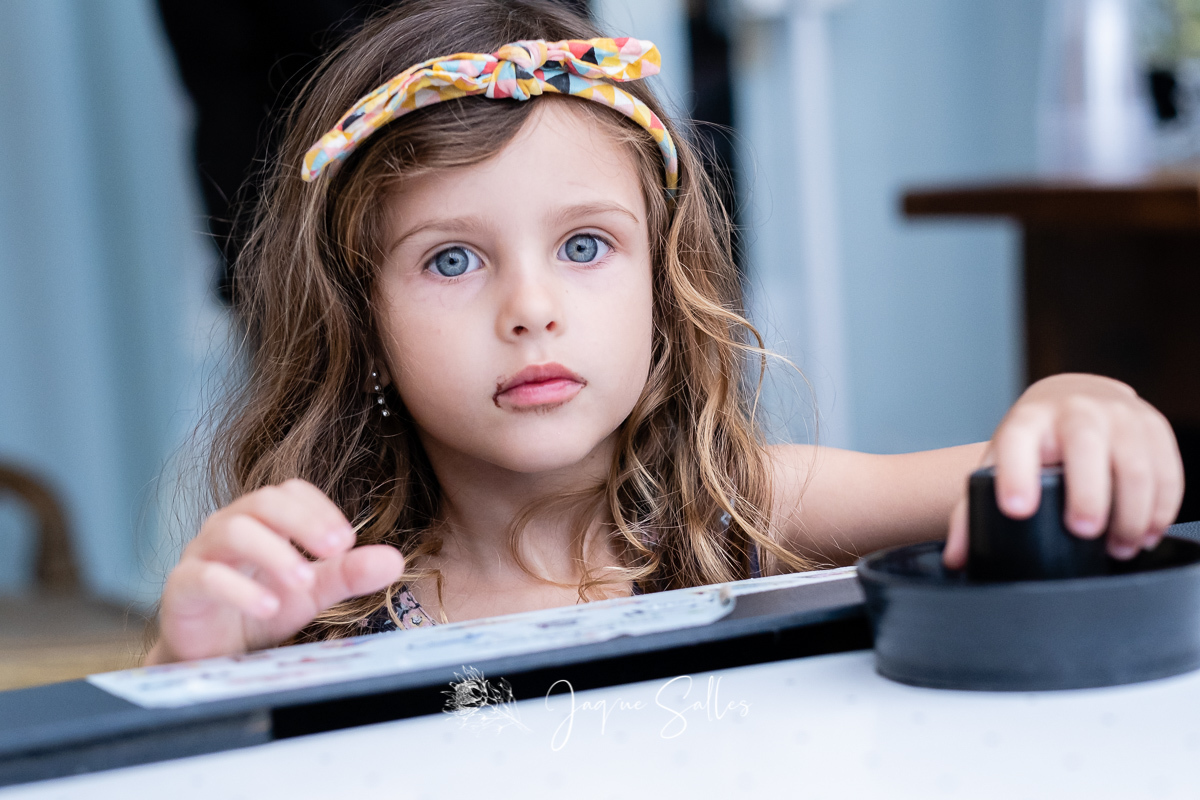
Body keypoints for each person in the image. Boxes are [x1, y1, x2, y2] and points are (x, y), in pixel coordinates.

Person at [143, 0, 1184, 665]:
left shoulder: (737, 503)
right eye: (451, 259)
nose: (531, 307)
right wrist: (189, 673)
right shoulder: (325, 604)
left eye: (586, 246)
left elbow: (1014, 474)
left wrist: (1080, 407)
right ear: (359, 320)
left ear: (663, 282)